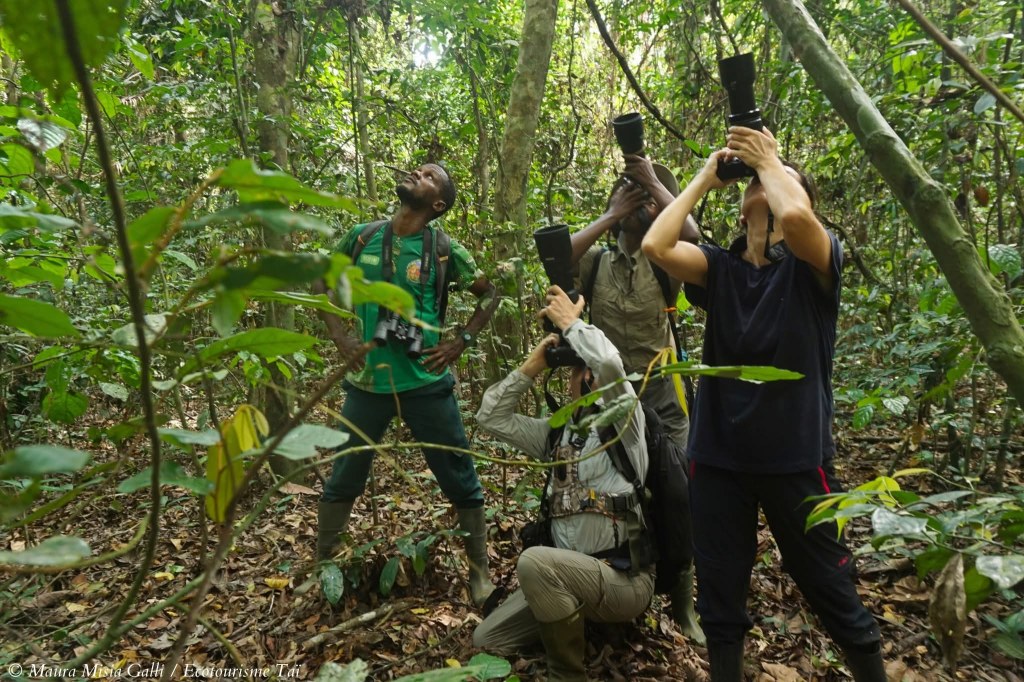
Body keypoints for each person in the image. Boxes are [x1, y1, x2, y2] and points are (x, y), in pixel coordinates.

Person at [640, 127, 885, 681]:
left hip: (796, 459)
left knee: (829, 585)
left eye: (775, 181)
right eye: (755, 180)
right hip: (719, 459)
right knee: (721, 597)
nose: (761, 183)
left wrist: (773, 160)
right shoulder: (719, 269)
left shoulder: (813, 264)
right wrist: (706, 176)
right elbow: (656, 246)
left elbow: (798, 221)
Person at [314, 163, 500, 608]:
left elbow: (489, 293)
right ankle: (324, 565)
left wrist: (461, 341)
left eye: (431, 175)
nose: (418, 172)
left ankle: (479, 571)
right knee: (344, 477)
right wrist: (340, 335)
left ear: (437, 204)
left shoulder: (442, 248)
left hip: (426, 384)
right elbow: (322, 280)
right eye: (420, 169)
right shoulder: (362, 236)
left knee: (460, 478)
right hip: (367, 385)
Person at [472, 286, 653, 681]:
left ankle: (567, 674)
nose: (576, 378)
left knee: (534, 562)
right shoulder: (558, 436)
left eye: (578, 370)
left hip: (623, 580)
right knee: (486, 639)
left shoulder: (626, 422)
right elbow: (491, 417)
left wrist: (572, 323)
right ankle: (572, 621)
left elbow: (608, 363)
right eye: (572, 371)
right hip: (567, 579)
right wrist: (533, 365)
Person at [570, 156, 704, 644]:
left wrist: (652, 183)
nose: (635, 204)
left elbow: (691, 237)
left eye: (644, 199)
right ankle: (606, 589)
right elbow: (556, 257)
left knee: (678, 496)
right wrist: (611, 214)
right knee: (607, 496)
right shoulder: (597, 260)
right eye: (625, 193)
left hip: (663, 396)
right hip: (607, 401)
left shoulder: (666, 259)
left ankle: (684, 606)